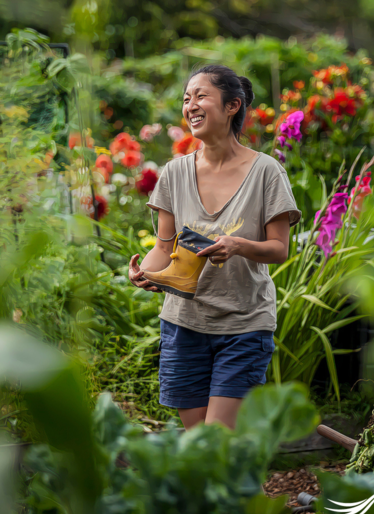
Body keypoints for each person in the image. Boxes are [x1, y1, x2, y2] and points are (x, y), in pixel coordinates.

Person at [127, 64, 301, 430]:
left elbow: (279, 248)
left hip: (244, 324)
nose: (191, 105)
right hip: (183, 324)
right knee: (200, 447)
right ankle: (242, 485)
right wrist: (147, 272)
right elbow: (164, 247)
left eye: (201, 96)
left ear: (232, 105)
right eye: (186, 99)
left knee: (216, 440)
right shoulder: (174, 173)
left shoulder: (267, 172)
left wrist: (238, 245)